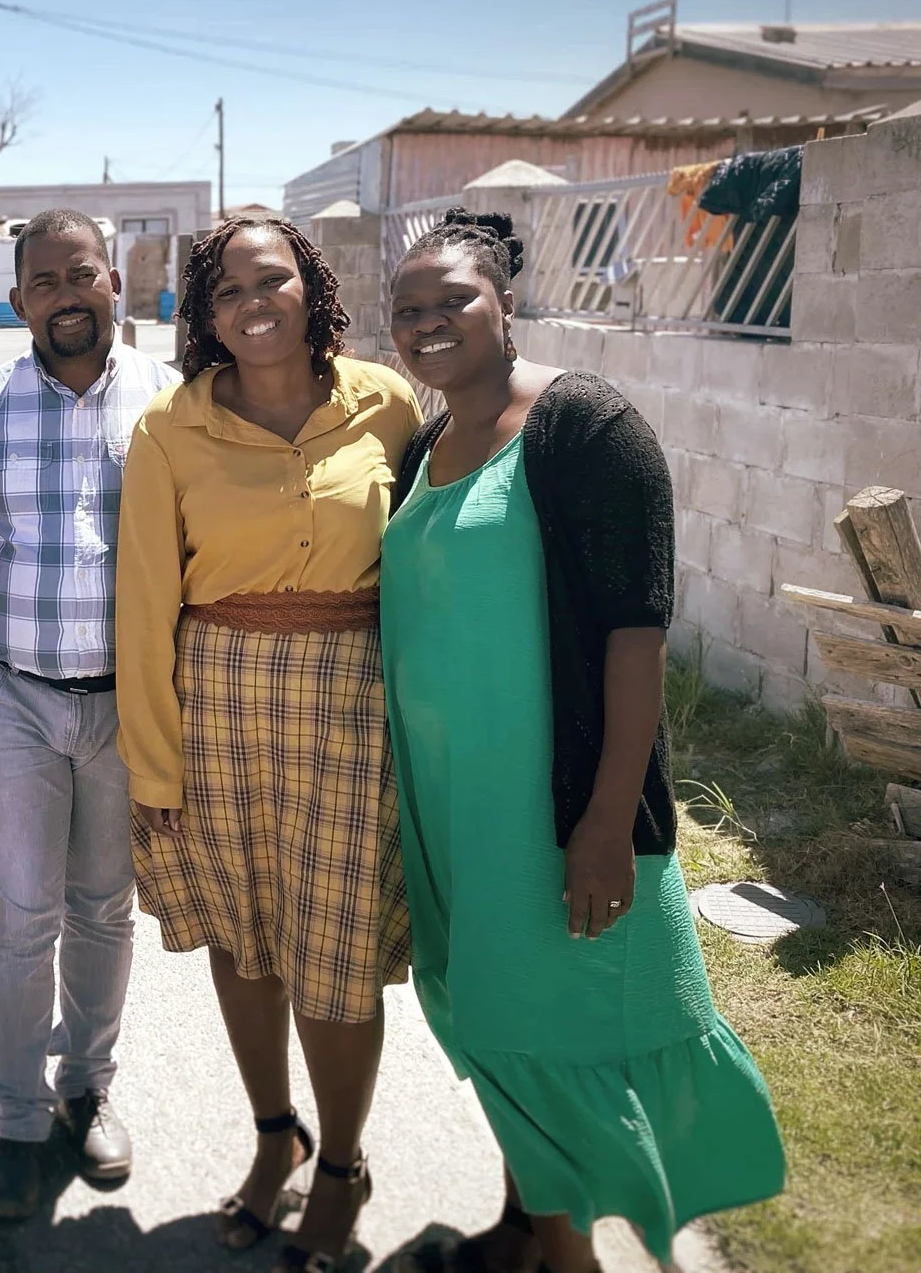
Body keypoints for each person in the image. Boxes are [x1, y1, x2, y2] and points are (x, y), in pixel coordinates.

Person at [381, 210, 784, 1273]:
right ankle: (525, 1227)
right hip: (449, 803)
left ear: (507, 300)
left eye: (453, 299)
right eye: (407, 310)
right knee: (494, 1018)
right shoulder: (425, 445)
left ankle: (570, 1255)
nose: (429, 323)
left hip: (544, 806)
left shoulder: (585, 427)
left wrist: (608, 821)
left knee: (548, 1024)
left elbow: (635, 639)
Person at [116, 213, 420, 1270]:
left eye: (272, 278)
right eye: (226, 290)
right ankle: (272, 1135)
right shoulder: (170, 427)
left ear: (311, 285)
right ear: (203, 313)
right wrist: (152, 763)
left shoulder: (386, 403)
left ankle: (341, 1165)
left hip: (355, 710)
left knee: (335, 955)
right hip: (219, 706)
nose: (253, 302)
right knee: (246, 941)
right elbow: (146, 599)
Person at [0, 209, 177, 1219]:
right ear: (19, 296)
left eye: (83, 275)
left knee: (104, 908)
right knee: (21, 918)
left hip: (127, 708)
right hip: (14, 700)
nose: (66, 295)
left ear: (114, 281)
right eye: (44, 280)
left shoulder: (170, 404)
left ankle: (87, 1086)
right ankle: (19, 1118)